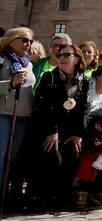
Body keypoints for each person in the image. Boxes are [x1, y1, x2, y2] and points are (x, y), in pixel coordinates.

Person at [29, 43, 88, 211]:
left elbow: (83, 109)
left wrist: (78, 134)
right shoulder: (50, 77)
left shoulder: (83, 80)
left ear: (76, 59)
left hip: (70, 131)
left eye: (66, 55)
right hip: (49, 129)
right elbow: (42, 107)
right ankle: (41, 199)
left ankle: (62, 199)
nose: (61, 58)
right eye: (60, 55)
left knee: (72, 158)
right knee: (54, 160)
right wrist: (52, 131)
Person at [0, 27, 36, 208]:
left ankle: (6, 195)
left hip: (23, 116)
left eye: (30, 41)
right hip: (4, 114)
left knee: (12, 158)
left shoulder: (28, 63)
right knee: (1, 156)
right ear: (11, 40)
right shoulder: (1, 59)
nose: (28, 44)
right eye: (24, 40)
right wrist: (10, 83)